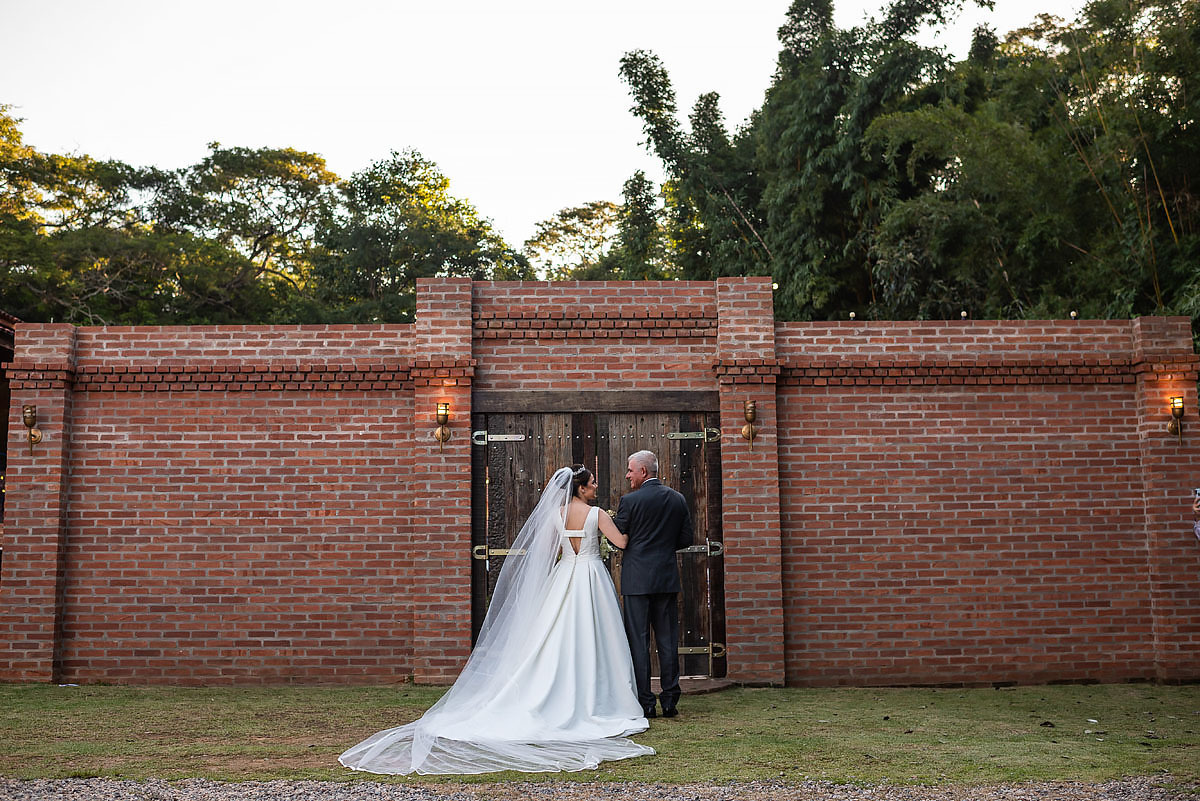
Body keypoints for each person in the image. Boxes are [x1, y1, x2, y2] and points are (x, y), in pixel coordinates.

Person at [339, 465, 653, 775]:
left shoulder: (556, 515)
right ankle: (597, 697)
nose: (596, 487)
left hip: (565, 575)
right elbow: (622, 543)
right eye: (593, 483)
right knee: (595, 636)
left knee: (555, 635)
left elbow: (548, 553)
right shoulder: (597, 514)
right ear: (581, 488)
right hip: (591, 576)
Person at [614, 450, 693, 719]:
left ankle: (645, 702)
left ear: (643, 472)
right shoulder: (677, 499)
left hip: (636, 580)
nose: (628, 475)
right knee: (668, 640)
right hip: (666, 578)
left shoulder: (630, 501)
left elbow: (618, 536)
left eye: (630, 470)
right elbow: (685, 539)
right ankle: (670, 700)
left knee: (639, 641)